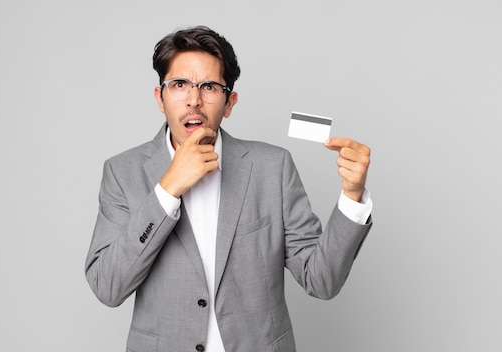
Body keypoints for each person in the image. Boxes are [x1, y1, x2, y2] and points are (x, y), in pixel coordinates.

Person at [85, 26, 373, 352]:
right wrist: (168, 189)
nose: (194, 99)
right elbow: (108, 287)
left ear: (230, 102)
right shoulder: (122, 173)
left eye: (209, 86)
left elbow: (321, 280)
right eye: (179, 85)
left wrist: (352, 196)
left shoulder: (272, 168)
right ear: (160, 97)